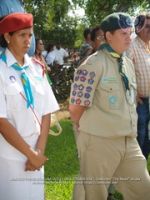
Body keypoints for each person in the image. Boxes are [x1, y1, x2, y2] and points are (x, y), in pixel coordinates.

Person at [69, 12, 150, 200]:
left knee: (144, 190)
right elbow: (75, 108)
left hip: (128, 141)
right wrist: (90, 134)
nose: (129, 38)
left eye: (130, 33)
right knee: (95, 194)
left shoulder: (128, 64)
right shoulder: (91, 65)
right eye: (123, 33)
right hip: (100, 142)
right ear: (108, 36)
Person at [0, 13, 59, 200]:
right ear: (7, 37)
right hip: (11, 155)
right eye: (22, 35)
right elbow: (1, 121)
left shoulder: (36, 68)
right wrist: (30, 154)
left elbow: (46, 111)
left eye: (30, 35)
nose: (28, 41)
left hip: (36, 154)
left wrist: (38, 152)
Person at [126, 12, 150, 160]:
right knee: (140, 136)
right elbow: (124, 72)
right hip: (140, 103)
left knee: (148, 137)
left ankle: (142, 170)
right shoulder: (132, 46)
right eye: (147, 26)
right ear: (138, 28)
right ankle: (136, 169)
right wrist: (133, 94)